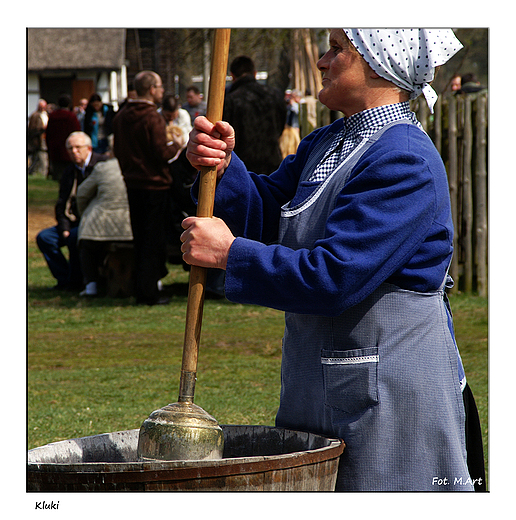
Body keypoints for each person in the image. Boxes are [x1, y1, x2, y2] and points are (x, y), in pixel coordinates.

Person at [183, 29, 486, 491]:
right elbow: (269, 214)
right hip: (321, 387)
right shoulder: (326, 142)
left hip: (389, 400)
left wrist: (230, 255)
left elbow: (334, 276)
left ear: (378, 61)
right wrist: (223, 169)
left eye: (336, 49)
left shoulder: (403, 158)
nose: (323, 62)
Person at [112, 70, 182, 305]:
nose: (162, 91)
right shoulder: (152, 117)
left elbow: (119, 150)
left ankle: (143, 286)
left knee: (140, 238)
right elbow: (161, 153)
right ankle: (149, 291)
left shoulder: (121, 116)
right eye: (160, 86)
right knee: (153, 240)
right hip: (155, 186)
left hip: (132, 184)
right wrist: (178, 147)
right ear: (152, 89)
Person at [36, 132, 107, 290]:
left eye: (77, 148)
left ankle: (77, 281)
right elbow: (61, 204)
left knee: (75, 237)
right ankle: (65, 278)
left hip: (94, 221)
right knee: (45, 237)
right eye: (70, 148)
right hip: (73, 221)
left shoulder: (101, 165)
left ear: (88, 148)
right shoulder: (69, 171)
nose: (73, 151)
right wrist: (64, 227)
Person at [76, 140, 133, 297]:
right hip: (131, 226)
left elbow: (81, 194)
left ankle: (91, 285)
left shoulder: (103, 168)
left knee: (87, 246)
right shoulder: (141, 167)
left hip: (100, 226)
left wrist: (84, 213)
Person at [223, 56, 287, 175]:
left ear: (232, 76)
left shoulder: (231, 100)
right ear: (255, 73)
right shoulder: (274, 95)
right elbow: (281, 127)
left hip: (242, 167)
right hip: (272, 164)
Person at [45, 94, 81, 181]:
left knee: (58, 171)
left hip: (55, 148)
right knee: (69, 172)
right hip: (68, 149)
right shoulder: (71, 116)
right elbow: (76, 132)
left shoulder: (53, 116)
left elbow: (48, 133)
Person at [28, 99, 48, 175]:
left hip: (45, 137)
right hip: (38, 139)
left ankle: (33, 171)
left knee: (38, 157)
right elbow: (32, 129)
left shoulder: (45, 114)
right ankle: (43, 171)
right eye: (41, 106)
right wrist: (42, 128)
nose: (43, 108)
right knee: (41, 155)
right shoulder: (35, 115)